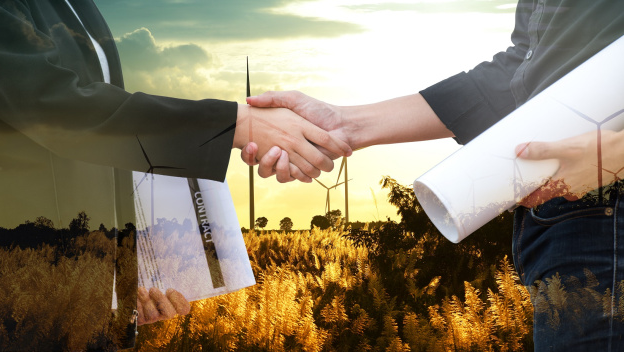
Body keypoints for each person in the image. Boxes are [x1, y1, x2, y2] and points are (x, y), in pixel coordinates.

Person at [0, 0, 349, 350]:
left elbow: (100, 143)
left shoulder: (76, 6)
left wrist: (121, 280)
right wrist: (237, 125)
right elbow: (47, 104)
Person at [243, 1, 624, 350]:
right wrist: (347, 125)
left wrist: (615, 154)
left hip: (607, 205)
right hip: (558, 222)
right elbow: (521, 74)